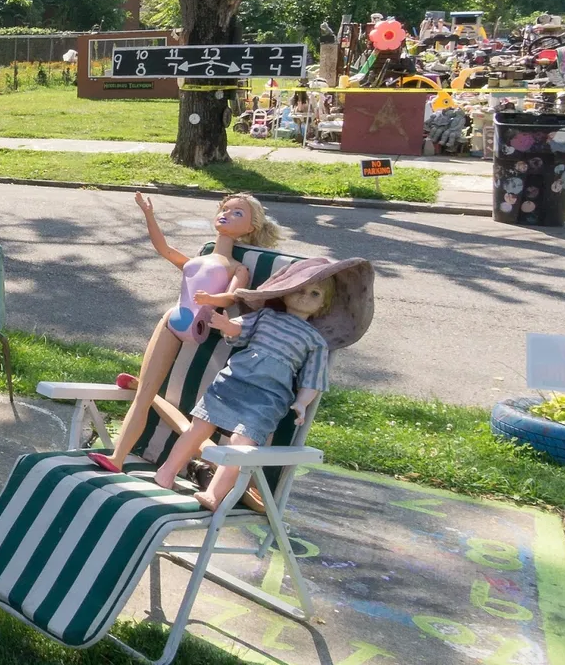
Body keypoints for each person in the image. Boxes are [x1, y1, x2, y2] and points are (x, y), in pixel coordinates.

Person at [151, 256, 374, 510]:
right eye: (299, 290)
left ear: (323, 304)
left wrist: (302, 402)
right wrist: (227, 325)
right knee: (198, 427)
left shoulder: (315, 341)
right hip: (232, 382)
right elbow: (240, 329)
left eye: (314, 294)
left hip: (267, 398)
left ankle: (214, 494)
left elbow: (312, 378)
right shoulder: (265, 316)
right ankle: (167, 472)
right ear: (286, 291)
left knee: (241, 445)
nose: (304, 297)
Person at [91, 191, 279, 473]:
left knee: (157, 396)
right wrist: (148, 214)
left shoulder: (236, 267)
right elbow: (164, 248)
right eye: (225, 209)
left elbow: (232, 296)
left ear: (251, 228)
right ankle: (117, 457)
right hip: (172, 320)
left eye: (237, 213)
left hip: (199, 324)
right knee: (145, 394)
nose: (226, 214)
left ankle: (179, 462)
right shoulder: (200, 258)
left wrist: (212, 300)